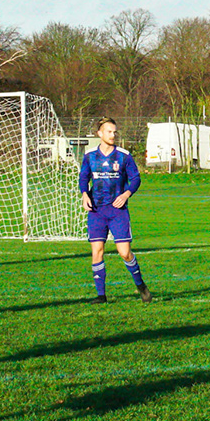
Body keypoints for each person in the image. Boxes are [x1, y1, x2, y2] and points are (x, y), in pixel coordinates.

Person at [80, 117, 151, 304]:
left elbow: (136, 179)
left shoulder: (124, 156)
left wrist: (126, 194)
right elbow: (83, 177)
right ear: (100, 134)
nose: (113, 135)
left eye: (114, 132)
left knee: (125, 252)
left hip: (117, 211)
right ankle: (101, 296)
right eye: (109, 131)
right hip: (96, 210)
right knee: (97, 251)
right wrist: (84, 194)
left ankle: (141, 285)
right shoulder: (89, 156)